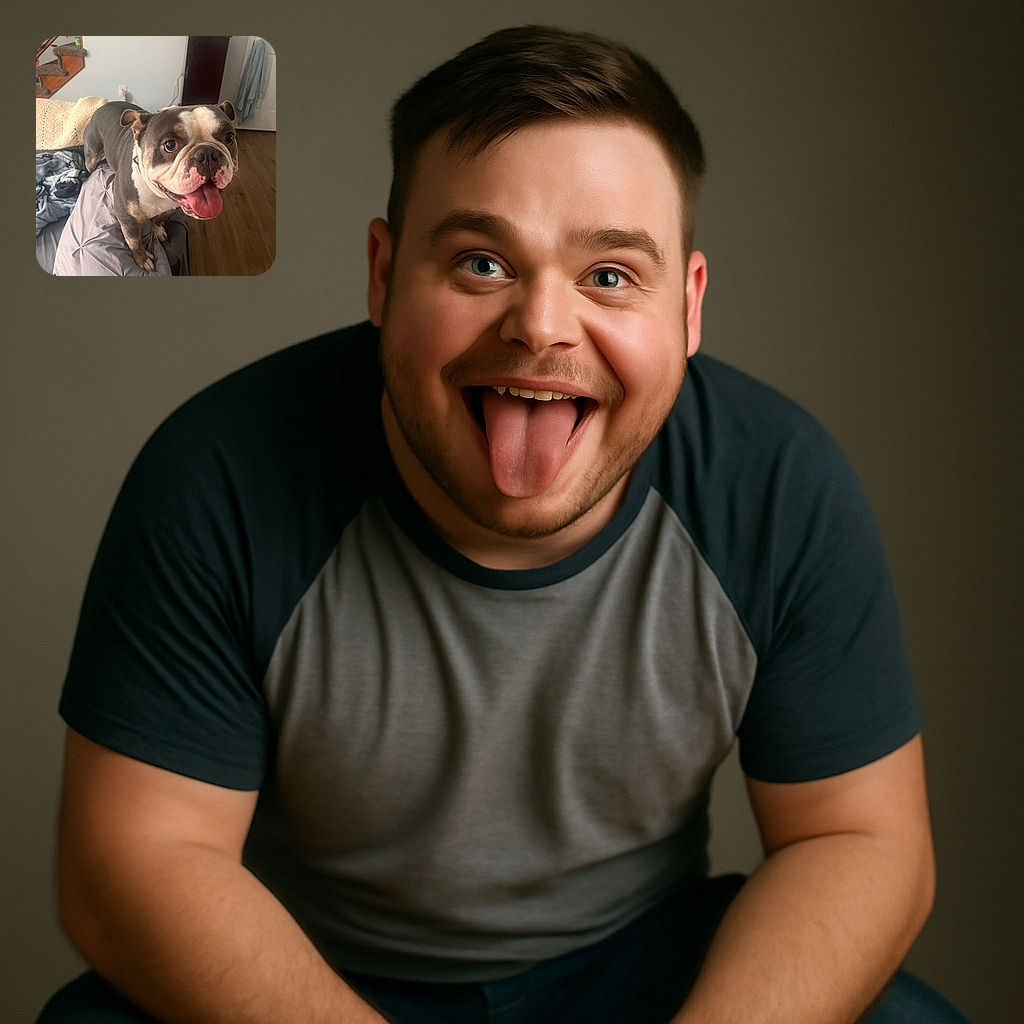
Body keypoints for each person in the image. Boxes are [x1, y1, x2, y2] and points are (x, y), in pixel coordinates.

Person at [38, 25, 968, 1024]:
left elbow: (857, 840)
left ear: (688, 310)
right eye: (481, 263)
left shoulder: (780, 483)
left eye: (610, 274)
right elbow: (133, 859)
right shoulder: (217, 475)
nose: (540, 326)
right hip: (306, 973)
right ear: (383, 275)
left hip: (648, 971)